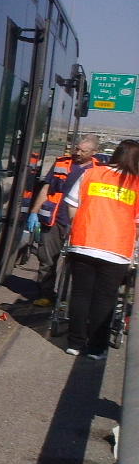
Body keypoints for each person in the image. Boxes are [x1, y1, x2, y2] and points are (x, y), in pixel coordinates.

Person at [61, 139, 139, 358]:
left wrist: (78, 226)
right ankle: (96, 348)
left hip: (84, 243)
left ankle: (75, 343)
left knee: (80, 294)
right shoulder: (136, 184)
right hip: (116, 250)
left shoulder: (91, 174)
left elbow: (72, 205)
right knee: (105, 299)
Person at [27, 135, 103, 305]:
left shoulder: (99, 171)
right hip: (54, 220)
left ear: (94, 152)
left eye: (83, 151)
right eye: (77, 149)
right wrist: (34, 212)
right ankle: (46, 295)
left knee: (77, 265)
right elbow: (46, 188)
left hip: (80, 223)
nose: (78, 153)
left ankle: (69, 299)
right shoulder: (62, 163)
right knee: (46, 260)